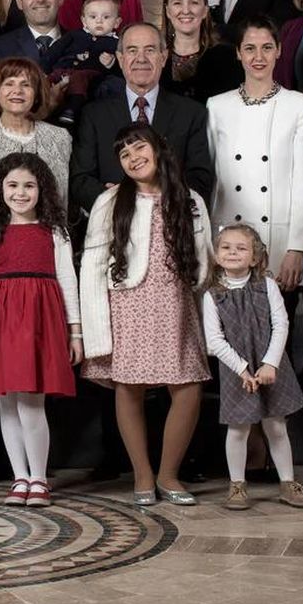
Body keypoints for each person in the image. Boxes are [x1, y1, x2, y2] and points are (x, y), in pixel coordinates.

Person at [79, 123, 212, 506]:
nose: (133, 158)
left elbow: (204, 257)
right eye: (124, 154)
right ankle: (142, 475)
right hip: (128, 301)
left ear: (159, 149)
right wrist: (94, 329)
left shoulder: (189, 199)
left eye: (139, 148)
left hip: (175, 302)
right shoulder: (111, 201)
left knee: (188, 385)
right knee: (129, 385)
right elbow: (93, 264)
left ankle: (169, 475)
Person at [0, 153, 82, 507]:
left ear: (42, 190)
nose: (20, 193)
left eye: (29, 186)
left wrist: (75, 332)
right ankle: (20, 478)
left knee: (31, 403)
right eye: (12, 185)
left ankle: (39, 479)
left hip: (39, 323)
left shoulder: (55, 232)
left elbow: (68, 281)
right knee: (7, 404)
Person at [206, 16, 303, 317]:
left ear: (279, 50)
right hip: (228, 239)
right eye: (250, 48)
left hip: (279, 241)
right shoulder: (216, 106)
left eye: (267, 47)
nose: (259, 57)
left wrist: (298, 248)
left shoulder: (299, 105)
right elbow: (211, 181)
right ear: (238, 53)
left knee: (278, 328)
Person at [202, 224, 303, 511]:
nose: (232, 252)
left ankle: (287, 482)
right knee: (238, 428)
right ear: (217, 255)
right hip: (236, 372)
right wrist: (242, 370)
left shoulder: (267, 285)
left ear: (254, 257)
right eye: (226, 247)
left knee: (276, 425)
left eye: (241, 248)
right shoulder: (212, 294)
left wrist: (270, 363)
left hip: (270, 366)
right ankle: (237, 485)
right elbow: (214, 341)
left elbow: (281, 324)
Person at [69, 22, 214, 215]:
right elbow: (80, 180)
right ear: (120, 59)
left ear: (163, 57)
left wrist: (156, 202)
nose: (141, 58)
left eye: (150, 50)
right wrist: (117, 202)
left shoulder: (191, 112)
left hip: (171, 221)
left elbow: (200, 178)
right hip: (112, 221)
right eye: (132, 50)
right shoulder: (93, 114)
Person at [0, 57, 71, 210]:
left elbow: (63, 197)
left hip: (47, 224)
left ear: (37, 95)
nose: (17, 91)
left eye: (26, 85)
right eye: (9, 84)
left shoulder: (60, 137)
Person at [159, 0, 243, 104]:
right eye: (177, 3)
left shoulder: (228, 57)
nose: (186, 10)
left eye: (194, 2)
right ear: (168, 11)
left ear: (205, 10)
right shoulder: (154, 58)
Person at [48, 0, 125, 125]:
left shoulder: (117, 44)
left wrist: (111, 64)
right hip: (62, 71)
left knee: (79, 78)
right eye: (93, 17)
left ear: (117, 22)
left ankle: (72, 108)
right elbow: (54, 52)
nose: (99, 21)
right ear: (84, 20)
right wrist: (42, 69)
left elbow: (124, 70)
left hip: (90, 76)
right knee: (47, 79)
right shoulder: (74, 35)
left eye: (106, 17)